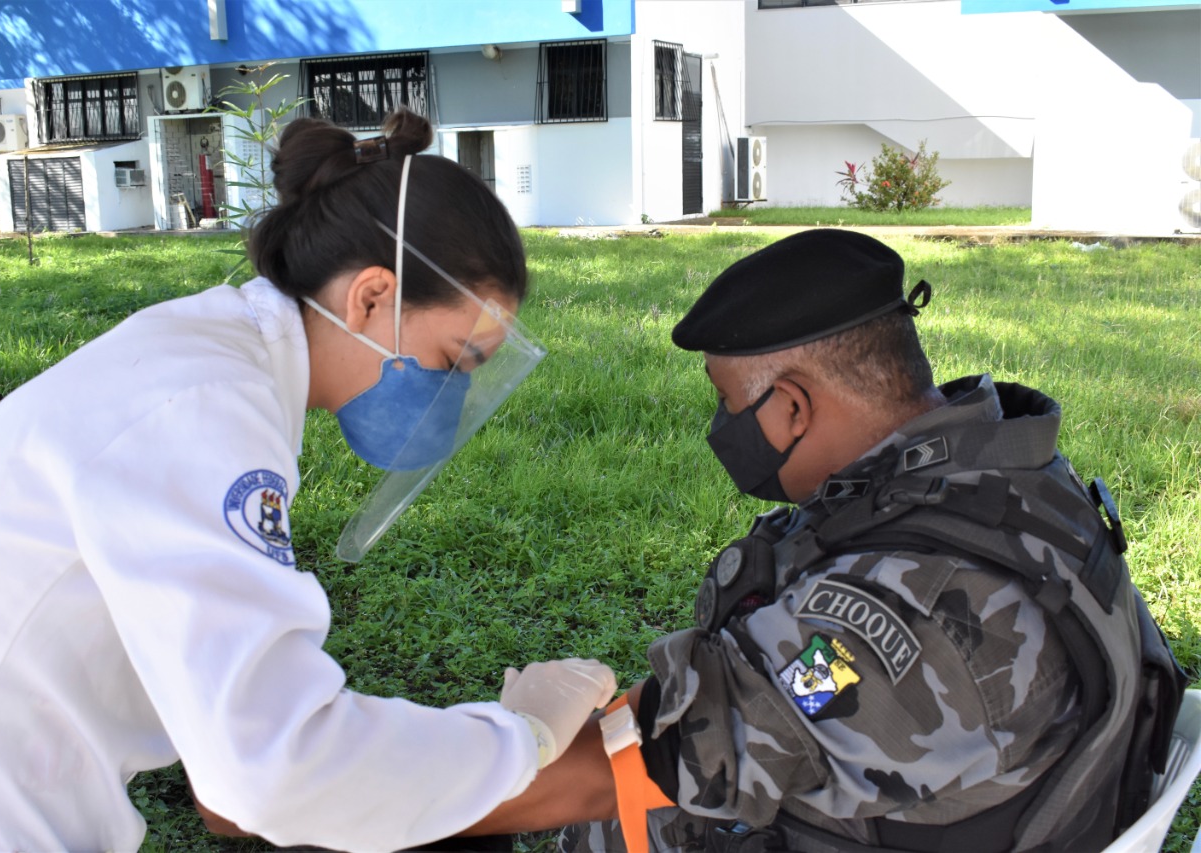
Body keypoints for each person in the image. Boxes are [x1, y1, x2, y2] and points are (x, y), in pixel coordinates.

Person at [0, 109, 617, 853]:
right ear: (372, 297)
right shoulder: (204, 406)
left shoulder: (216, 362)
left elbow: (238, 730)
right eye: (454, 358)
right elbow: (272, 769)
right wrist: (522, 737)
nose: (448, 395)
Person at [463, 228, 1184, 853]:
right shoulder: (1001, 473)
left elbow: (669, 751)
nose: (722, 425)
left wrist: (467, 763)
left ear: (794, 407)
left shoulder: (911, 611)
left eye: (728, 402)